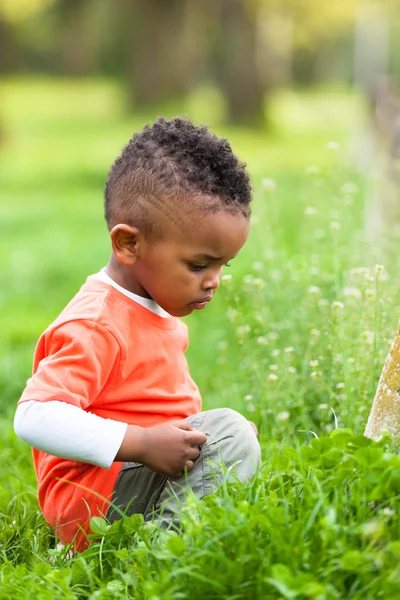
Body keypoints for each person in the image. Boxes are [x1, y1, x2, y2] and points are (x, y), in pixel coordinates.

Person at [14, 117, 261, 552]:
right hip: (94, 504)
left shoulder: (150, 305)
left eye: (224, 266)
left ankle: (180, 536)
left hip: (124, 487)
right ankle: (167, 555)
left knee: (232, 438)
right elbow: (34, 416)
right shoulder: (97, 321)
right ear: (129, 244)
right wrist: (142, 443)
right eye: (199, 265)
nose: (214, 281)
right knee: (231, 434)